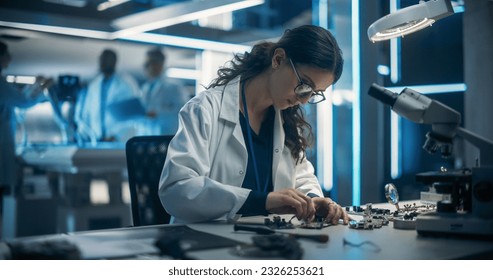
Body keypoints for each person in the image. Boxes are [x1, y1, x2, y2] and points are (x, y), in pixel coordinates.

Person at [159, 25, 349, 225]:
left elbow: (301, 176)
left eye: (314, 93)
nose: (303, 100)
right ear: (278, 59)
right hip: (205, 241)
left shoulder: (286, 119)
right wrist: (262, 201)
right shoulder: (204, 109)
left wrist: (311, 199)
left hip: (265, 242)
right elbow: (177, 189)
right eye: (304, 85)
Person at [0, 40, 53, 189]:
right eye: (7, 55)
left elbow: (17, 98)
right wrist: (42, 87)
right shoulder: (1, 84)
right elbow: (23, 101)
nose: (10, 58)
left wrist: (36, 85)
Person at [77, 48, 140, 142]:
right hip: (96, 139)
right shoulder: (93, 86)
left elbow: (130, 115)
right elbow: (86, 113)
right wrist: (88, 134)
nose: (103, 63)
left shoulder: (125, 85)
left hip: (117, 139)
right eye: (102, 59)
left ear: (114, 62)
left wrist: (116, 135)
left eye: (107, 60)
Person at [138, 47, 189, 136]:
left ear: (160, 64)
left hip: (166, 134)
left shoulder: (174, 86)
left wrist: (158, 113)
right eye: (147, 64)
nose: (147, 67)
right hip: (147, 134)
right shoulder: (145, 88)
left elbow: (184, 110)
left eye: (151, 63)